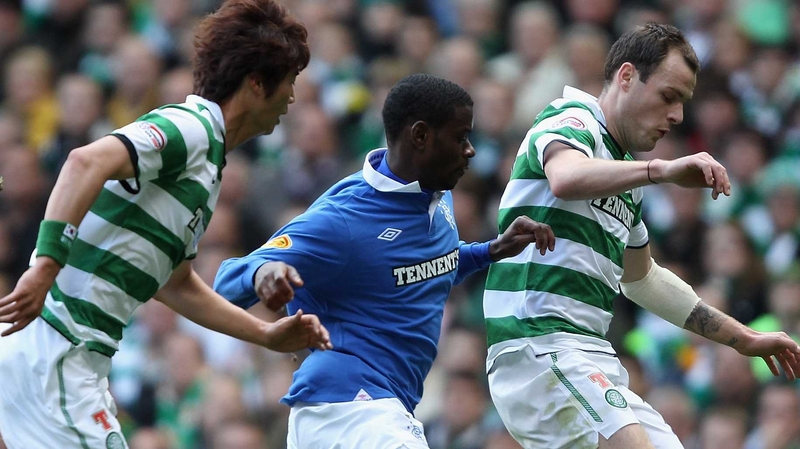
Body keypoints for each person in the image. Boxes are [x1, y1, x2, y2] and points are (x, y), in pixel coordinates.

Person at [0, 1, 331, 448]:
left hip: (58, 354)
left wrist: (266, 334)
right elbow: (84, 162)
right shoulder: (190, 128)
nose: (291, 98)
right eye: (289, 83)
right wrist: (45, 263)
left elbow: (176, 284)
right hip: (58, 349)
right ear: (256, 84)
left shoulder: (208, 167)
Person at [482, 22, 800, 449]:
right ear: (627, 77)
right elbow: (565, 177)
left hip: (590, 357)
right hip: (538, 345)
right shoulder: (572, 118)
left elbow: (642, 278)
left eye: (684, 103)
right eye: (669, 96)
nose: (677, 116)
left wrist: (742, 337)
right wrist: (662, 170)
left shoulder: (623, 178)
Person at [213, 73, 556, 448]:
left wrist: (489, 251)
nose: (470, 150)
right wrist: (265, 270)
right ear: (421, 136)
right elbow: (227, 280)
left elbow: (424, 268)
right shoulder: (343, 218)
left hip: (372, 407)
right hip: (350, 408)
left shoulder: (438, 198)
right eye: (460, 138)